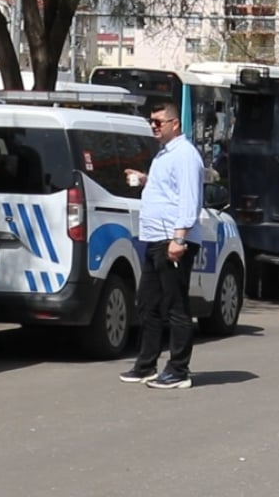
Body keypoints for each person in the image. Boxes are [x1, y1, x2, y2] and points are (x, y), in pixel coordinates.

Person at [119, 100, 205, 389]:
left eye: (159, 122)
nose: (154, 126)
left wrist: (179, 238)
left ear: (174, 123)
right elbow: (168, 191)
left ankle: (179, 370)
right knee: (148, 304)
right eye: (151, 122)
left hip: (172, 240)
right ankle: (146, 365)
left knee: (175, 306)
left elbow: (189, 199)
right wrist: (145, 180)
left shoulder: (185, 155)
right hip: (155, 238)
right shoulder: (164, 155)